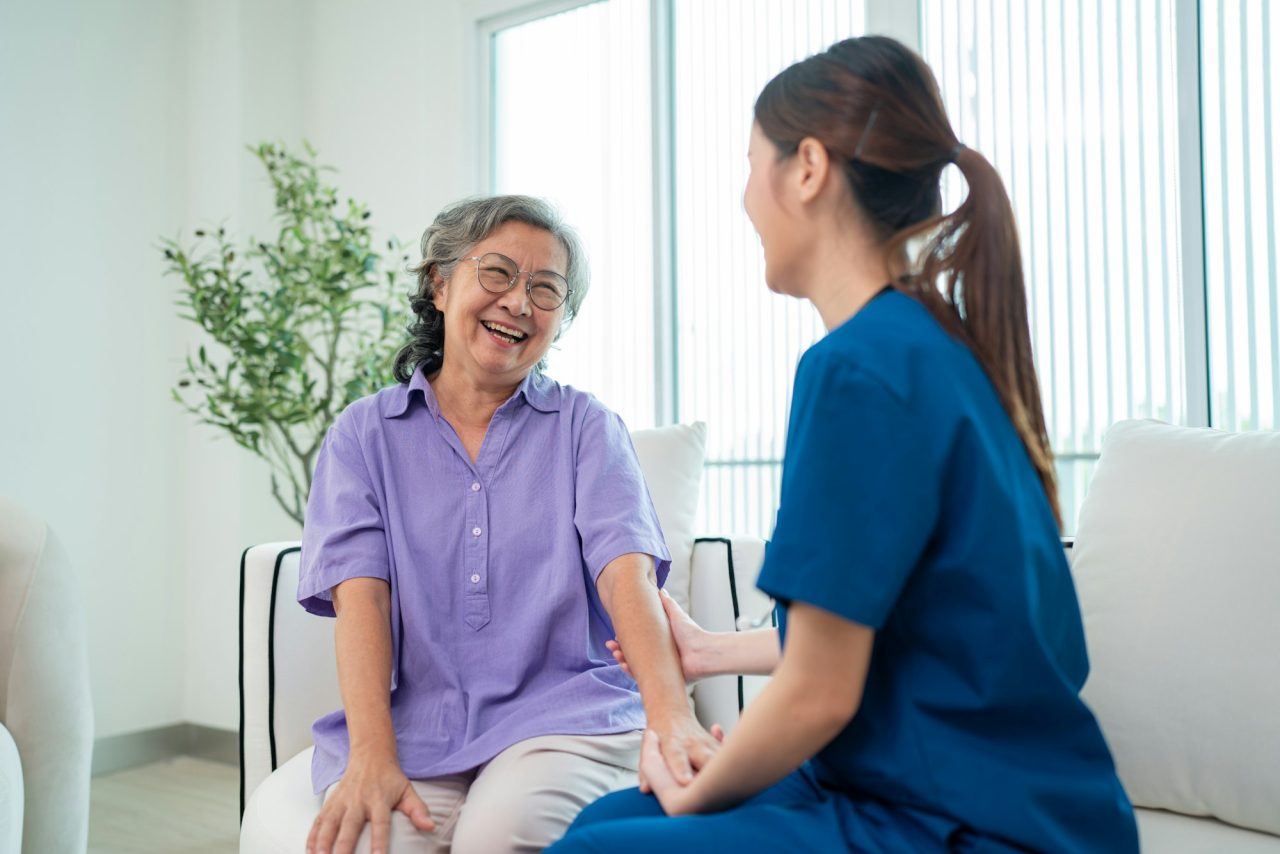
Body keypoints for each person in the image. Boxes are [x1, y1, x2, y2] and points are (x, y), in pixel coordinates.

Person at [549, 36, 1139, 853]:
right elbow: (889, 619)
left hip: (969, 821)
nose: (745, 197)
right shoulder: (936, 347)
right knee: (606, 819)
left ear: (808, 169)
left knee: (599, 845)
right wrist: (711, 651)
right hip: (973, 792)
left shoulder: (857, 370)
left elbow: (819, 696)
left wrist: (694, 794)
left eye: (752, 162)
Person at [298, 195, 718, 854]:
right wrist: (372, 756)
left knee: (499, 834)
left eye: (545, 290)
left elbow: (626, 577)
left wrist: (672, 717)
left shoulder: (586, 428)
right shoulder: (362, 436)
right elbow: (362, 600)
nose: (519, 302)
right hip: (419, 725)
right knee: (384, 843)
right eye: (496, 273)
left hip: (565, 716)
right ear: (440, 284)